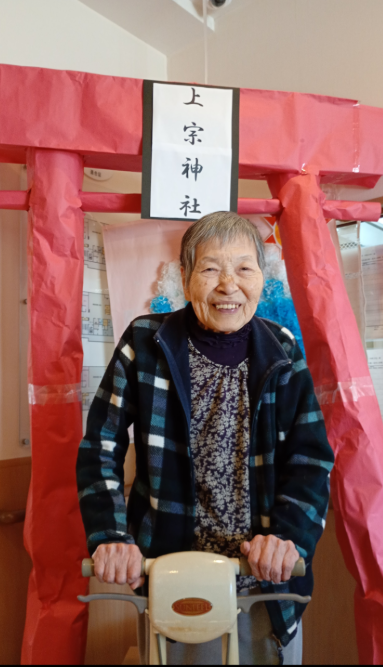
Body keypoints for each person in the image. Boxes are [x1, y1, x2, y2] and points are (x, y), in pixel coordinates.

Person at [76, 211, 334, 665]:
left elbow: (310, 458)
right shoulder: (145, 341)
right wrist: (110, 535)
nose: (228, 285)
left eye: (244, 269)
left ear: (262, 278)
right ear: (185, 277)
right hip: (171, 574)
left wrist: (288, 538)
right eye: (211, 268)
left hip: (264, 583)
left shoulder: (282, 348)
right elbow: (101, 444)